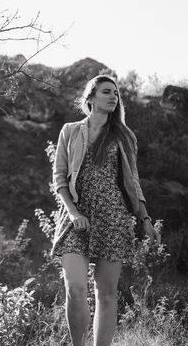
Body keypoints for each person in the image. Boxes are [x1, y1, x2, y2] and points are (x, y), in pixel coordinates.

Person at [51, 75, 161, 346]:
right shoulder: (70, 130)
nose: (113, 97)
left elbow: (132, 181)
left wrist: (144, 218)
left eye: (115, 93)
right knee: (75, 288)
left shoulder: (123, 136)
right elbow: (60, 178)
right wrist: (74, 213)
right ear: (90, 98)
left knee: (107, 293)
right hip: (76, 216)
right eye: (106, 92)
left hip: (113, 216)